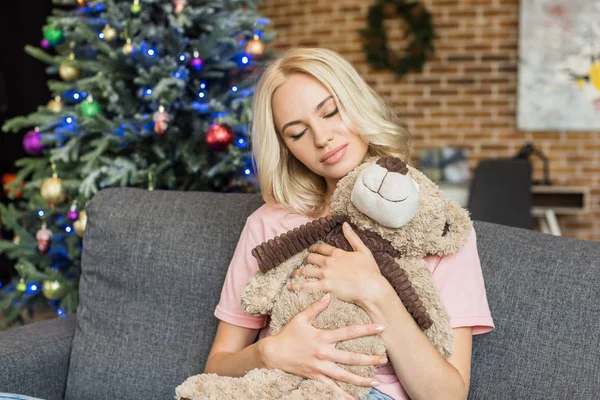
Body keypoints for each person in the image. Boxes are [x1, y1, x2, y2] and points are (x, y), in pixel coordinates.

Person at [204, 47, 495, 400]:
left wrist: (375, 291)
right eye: (297, 133)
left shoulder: (432, 224)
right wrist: (269, 353)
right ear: (286, 148)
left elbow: (447, 396)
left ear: (356, 102)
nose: (322, 138)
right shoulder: (268, 223)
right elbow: (216, 367)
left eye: (331, 112)